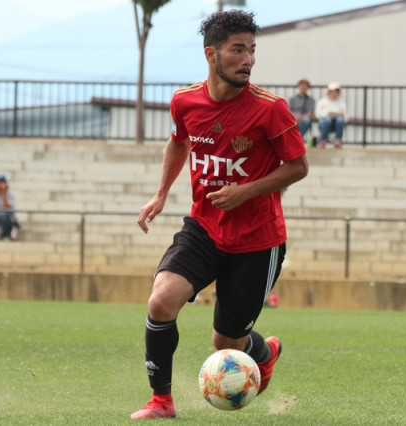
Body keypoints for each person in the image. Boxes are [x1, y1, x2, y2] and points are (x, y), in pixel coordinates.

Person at [132, 10, 308, 420]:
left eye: (252, 50)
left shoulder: (271, 109)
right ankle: (161, 401)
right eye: (238, 50)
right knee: (161, 301)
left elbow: (298, 166)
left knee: (226, 343)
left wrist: (244, 191)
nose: (248, 60)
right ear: (211, 54)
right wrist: (160, 194)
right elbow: (179, 142)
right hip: (204, 227)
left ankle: (264, 354)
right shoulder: (185, 101)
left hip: (258, 240)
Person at [315, 82, 346, 148]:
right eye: (332, 91)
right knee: (327, 120)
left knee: (340, 120)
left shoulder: (342, 103)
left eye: (336, 92)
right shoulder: (322, 102)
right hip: (325, 122)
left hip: (337, 124)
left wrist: (337, 116)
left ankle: (337, 141)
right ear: (328, 92)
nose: (334, 93)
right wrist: (327, 115)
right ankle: (323, 141)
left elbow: (346, 116)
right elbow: (317, 114)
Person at [287, 78, 316, 144]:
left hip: (304, 118)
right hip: (294, 117)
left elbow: (310, 112)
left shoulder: (311, 100)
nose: (303, 87)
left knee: (306, 120)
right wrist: (295, 116)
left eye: (305, 85)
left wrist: (301, 117)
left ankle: (298, 139)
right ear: (298, 86)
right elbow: (288, 110)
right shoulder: (292, 99)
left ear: (308, 87)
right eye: (302, 85)